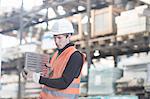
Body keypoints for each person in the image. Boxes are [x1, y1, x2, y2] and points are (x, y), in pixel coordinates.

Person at [22, 18, 85, 99]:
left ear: (68, 36)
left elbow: (63, 83)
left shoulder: (75, 56)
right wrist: (43, 73)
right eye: (54, 37)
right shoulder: (56, 55)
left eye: (59, 38)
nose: (56, 41)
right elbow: (52, 79)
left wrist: (38, 78)